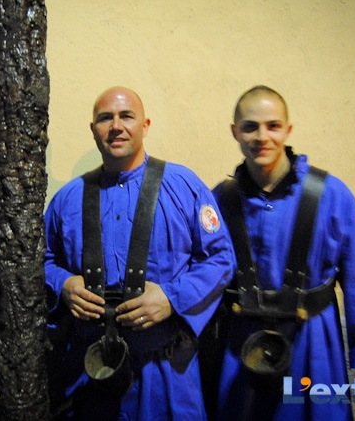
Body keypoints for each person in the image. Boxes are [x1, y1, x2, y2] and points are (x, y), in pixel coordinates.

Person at [203, 85, 355, 420]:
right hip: (240, 349)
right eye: (250, 127)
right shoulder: (219, 200)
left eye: (273, 126)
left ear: (288, 129)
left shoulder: (330, 195)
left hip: (313, 348)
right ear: (235, 132)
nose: (262, 136)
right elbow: (201, 272)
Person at [44, 86, 236, 420]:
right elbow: (41, 260)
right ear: (93, 129)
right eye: (106, 118)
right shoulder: (67, 199)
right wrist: (63, 284)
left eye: (126, 116)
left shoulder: (184, 186)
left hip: (167, 370)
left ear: (145, 125)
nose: (116, 126)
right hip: (91, 372)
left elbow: (220, 259)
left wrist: (171, 298)